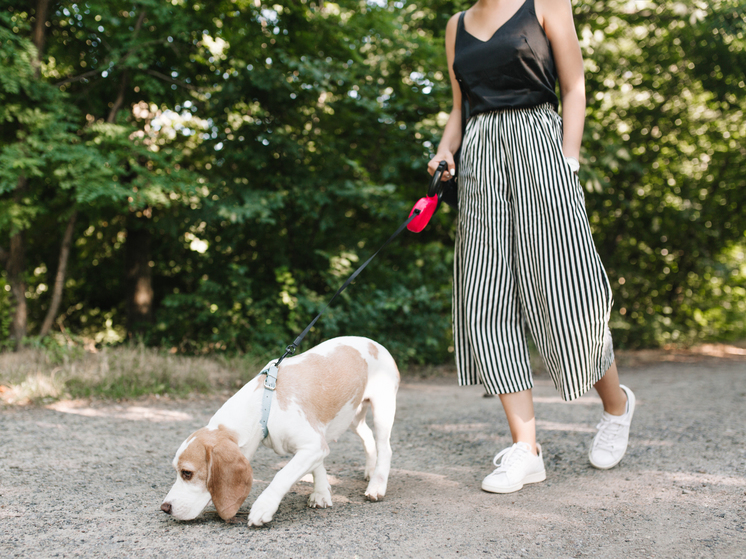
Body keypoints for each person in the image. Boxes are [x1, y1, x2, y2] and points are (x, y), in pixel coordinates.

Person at [428, 0, 635, 494]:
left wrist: (569, 159)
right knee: (484, 302)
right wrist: (444, 149)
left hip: (541, 149)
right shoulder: (455, 27)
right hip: (480, 160)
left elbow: (574, 86)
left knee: (567, 296)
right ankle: (527, 449)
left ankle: (616, 406)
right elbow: (461, 108)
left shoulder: (545, 4)